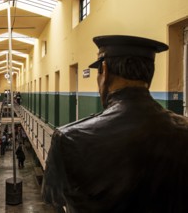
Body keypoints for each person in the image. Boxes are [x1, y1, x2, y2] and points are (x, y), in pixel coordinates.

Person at [42, 35, 188, 213]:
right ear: (150, 73)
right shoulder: (183, 130)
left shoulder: (68, 138)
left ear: (104, 70)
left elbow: (55, 200)